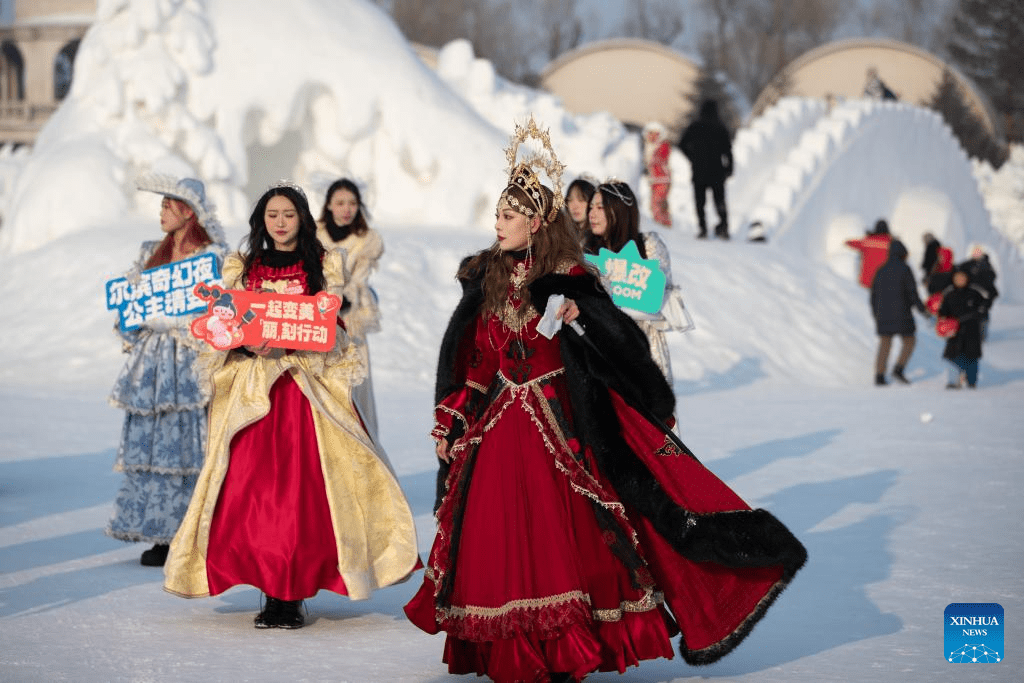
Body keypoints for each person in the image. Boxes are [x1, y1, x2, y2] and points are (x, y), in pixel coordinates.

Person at [404, 119, 806, 683]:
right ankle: (511, 647)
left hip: (563, 422)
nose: (498, 225)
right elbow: (475, 360)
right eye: (497, 215)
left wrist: (578, 318)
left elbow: (618, 343)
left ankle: (567, 649)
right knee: (497, 540)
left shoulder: (572, 275)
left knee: (570, 536)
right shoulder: (485, 277)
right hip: (499, 426)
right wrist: (454, 418)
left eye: (510, 216)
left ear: (538, 222)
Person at [164, 183, 418, 629]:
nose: (280, 223)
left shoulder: (323, 266)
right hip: (255, 394)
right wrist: (246, 346)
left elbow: (333, 330)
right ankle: (270, 587)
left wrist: (299, 343)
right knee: (254, 494)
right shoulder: (242, 268)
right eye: (272, 215)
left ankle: (291, 591)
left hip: (304, 389)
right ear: (262, 220)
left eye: (288, 215)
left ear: (302, 218)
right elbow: (223, 326)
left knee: (303, 496)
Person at [106, 174, 228, 567]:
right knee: (155, 440)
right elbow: (129, 308)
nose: (160, 212)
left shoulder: (211, 257)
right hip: (155, 361)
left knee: (191, 442)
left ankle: (196, 531)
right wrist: (134, 315)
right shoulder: (150, 254)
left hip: (190, 356)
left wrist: (180, 321)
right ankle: (161, 531)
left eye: (167, 205)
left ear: (187, 211)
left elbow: (221, 309)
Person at [584, 180, 692, 385]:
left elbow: (657, 293)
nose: (592, 214)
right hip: (602, 353)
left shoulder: (649, 245)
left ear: (619, 210)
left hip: (645, 348)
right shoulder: (586, 252)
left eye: (600, 207)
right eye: (591, 207)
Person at [316, 178, 384, 442]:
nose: (347, 209)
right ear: (329, 205)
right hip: (319, 319)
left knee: (354, 387)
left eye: (352, 203)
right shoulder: (314, 236)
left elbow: (359, 279)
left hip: (350, 319)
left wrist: (343, 295)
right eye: (340, 203)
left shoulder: (366, 240)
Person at [869, 240, 929, 386]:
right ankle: (899, 369)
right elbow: (912, 293)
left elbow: (873, 296)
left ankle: (879, 376)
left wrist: (876, 314)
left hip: (883, 314)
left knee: (885, 343)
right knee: (909, 341)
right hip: (902, 314)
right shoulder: (905, 269)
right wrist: (923, 310)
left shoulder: (880, 270)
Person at [678, 99, 732, 239]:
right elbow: (728, 151)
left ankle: (703, 229)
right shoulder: (720, 128)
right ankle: (724, 227)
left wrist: (692, 157)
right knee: (719, 201)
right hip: (717, 171)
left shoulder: (694, 127)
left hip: (699, 171)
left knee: (700, 202)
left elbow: (682, 144)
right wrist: (729, 168)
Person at [938, 266, 993, 389]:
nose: (960, 280)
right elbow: (943, 311)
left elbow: (986, 304)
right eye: (957, 278)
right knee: (952, 357)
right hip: (954, 332)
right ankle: (953, 381)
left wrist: (982, 310)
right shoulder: (949, 294)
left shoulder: (975, 293)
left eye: (962, 277)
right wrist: (943, 319)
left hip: (972, 331)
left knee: (972, 357)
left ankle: (971, 381)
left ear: (967, 278)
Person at [845, 218, 893, 289]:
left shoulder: (867, 242)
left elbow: (851, 243)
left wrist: (846, 242)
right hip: (884, 284)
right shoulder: (892, 244)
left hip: (866, 283)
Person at [642, 121, 672, 227]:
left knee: (657, 203)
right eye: (650, 134)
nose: (652, 136)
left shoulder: (662, 146)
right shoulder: (649, 147)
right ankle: (663, 223)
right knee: (657, 203)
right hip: (655, 179)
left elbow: (660, 160)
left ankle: (661, 225)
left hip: (662, 179)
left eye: (656, 134)